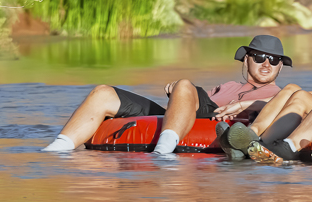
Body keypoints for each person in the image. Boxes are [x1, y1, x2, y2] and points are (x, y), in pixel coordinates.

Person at [41, 35, 291, 154]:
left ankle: (163, 153)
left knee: (184, 84)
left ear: (281, 65)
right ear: (246, 59)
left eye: (274, 60)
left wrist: (250, 102)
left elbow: (297, 103)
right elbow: (192, 97)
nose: (266, 63)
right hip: (197, 110)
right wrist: (182, 93)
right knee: (103, 92)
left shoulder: (280, 93)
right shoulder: (225, 85)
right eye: (259, 57)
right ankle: (56, 149)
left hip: (218, 123)